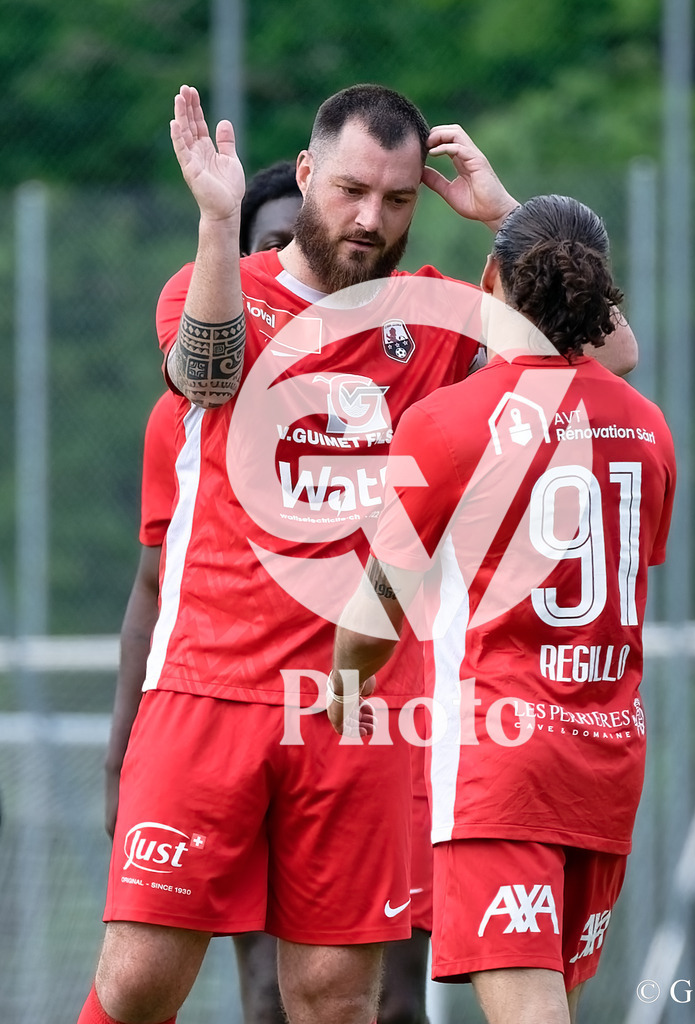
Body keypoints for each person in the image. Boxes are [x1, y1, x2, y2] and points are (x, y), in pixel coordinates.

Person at [78, 82, 637, 1024]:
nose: (371, 219)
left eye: (398, 198)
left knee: (335, 1000)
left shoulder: (434, 315)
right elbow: (206, 379)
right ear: (306, 174)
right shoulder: (215, 285)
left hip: (361, 709)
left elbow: (604, 359)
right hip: (209, 691)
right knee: (138, 980)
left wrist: (508, 220)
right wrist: (216, 220)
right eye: (350, 191)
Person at [327, 195, 676, 1024]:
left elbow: (378, 609)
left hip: (501, 763)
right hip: (606, 760)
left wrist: (343, 685)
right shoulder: (646, 428)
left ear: (490, 280)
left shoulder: (447, 421)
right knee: (556, 1003)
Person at [103, 158, 303, 1024]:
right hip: (218, 721)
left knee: (373, 996)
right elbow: (153, 585)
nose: (292, 266)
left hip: (352, 727)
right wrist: (120, 754)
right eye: (274, 246)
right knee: (211, 983)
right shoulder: (185, 414)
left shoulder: (391, 380)